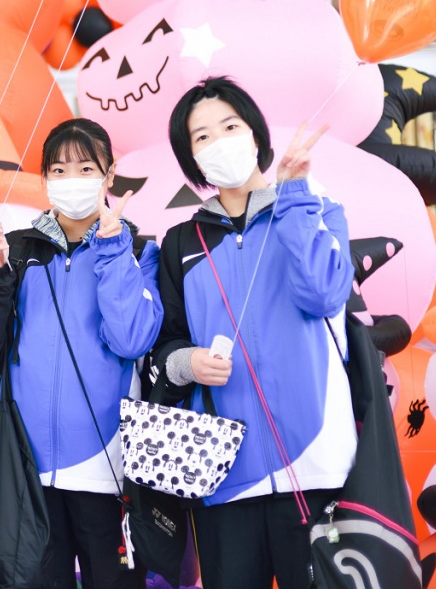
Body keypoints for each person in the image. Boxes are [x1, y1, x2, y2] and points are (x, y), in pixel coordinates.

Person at [151, 77, 356, 589]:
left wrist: (293, 196)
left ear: (255, 133)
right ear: (191, 158)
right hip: (222, 474)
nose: (218, 142)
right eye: (201, 137)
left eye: (229, 126)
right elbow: (165, 344)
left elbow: (324, 295)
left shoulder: (314, 209)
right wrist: (188, 363)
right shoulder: (180, 243)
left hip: (316, 467)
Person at [0, 117, 163, 589]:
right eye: (59, 170)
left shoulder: (139, 251)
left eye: (86, 168)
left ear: (109, 175)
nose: (72, 180)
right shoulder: (17, 250)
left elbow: (132, 340)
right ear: (45, 178)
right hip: (25, 471)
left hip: (108, 470)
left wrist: (113, 250)